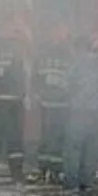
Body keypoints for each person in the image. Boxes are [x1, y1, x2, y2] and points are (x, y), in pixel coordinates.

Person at [63, 34, 98, 196]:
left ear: (78, 48)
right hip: (97, 113)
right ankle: (88, 183)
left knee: (74, 149)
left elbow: (66, 84)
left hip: (78, 112)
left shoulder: (76, 63)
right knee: (91, 150)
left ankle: (72, 184)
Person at [0, 31, 29, 185]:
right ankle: (16, 173)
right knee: (14, 139)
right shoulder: (16, 58)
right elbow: (20, 80)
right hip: (12, 104)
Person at [33, 24, 74, 184]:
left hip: (57, 103)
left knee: (53, 137)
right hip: (52, 103)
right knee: (50, 137)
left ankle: (51, 170)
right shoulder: (63, 56)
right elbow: (36, 76)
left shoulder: (65, 55)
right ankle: (48, 170)